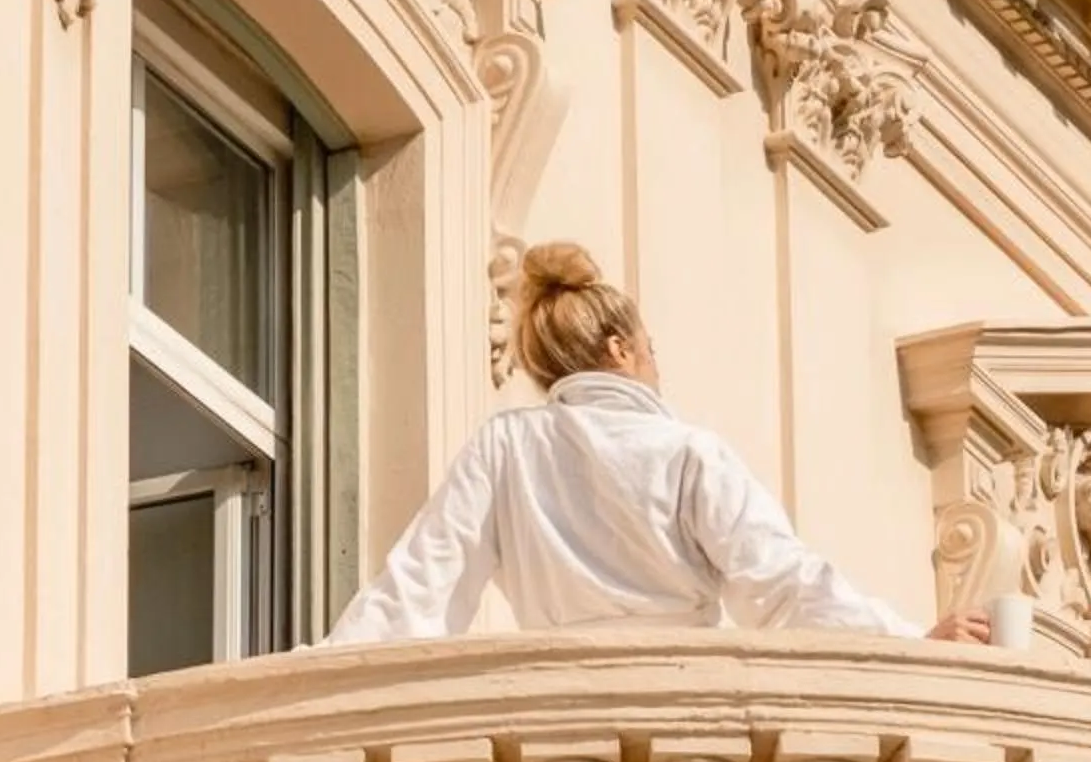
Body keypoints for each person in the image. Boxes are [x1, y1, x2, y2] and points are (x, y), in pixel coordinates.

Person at [327, 242, 985, 647]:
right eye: (652, 350)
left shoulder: (505, 448)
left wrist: (323, 670)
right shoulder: (689, 453)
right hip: (689, 742)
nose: (657, 367)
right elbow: (784, 585)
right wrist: (910, 643)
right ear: (620, 349)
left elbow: (421, 583)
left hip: (560, 744)